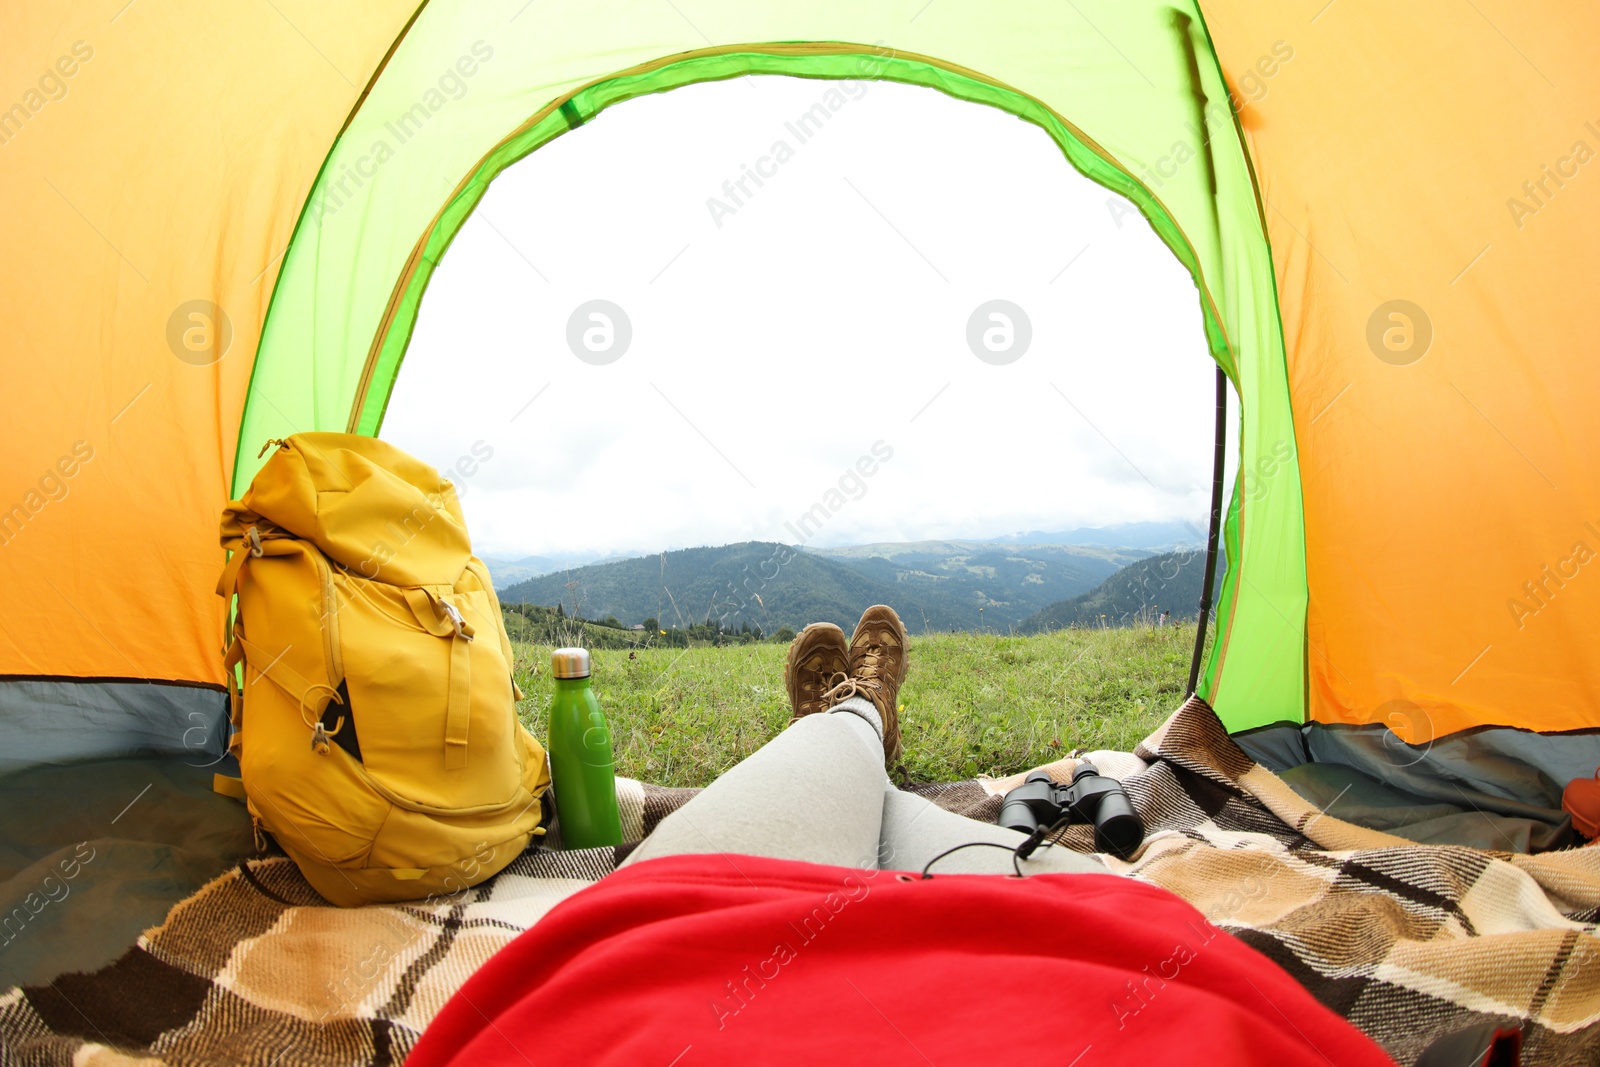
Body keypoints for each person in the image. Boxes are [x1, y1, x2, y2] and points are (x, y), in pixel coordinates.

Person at [407, 606, 1398, 1067]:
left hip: (671, 992)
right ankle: (861, 727)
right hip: (1077, 973)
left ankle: (846, 722)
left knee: (834, 792)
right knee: (956, 862)